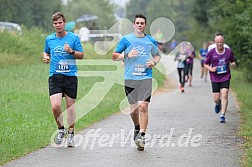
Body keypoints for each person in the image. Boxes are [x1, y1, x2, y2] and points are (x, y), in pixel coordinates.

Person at [112, 14, 160, 151]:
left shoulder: (150, 40)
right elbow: (114, 56)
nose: (139, 25)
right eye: (137, 23)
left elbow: (157, 55)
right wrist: (127, 55)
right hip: (130, 78)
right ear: (134, 25)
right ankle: (137, 127)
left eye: (142, 23)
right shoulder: (126, 39)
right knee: (133, 109)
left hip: (145, 77)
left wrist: (154, 62)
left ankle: (142, 136)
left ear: (145, 25)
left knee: (143, 106)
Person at [43, 12, 84, 147]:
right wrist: (46, 57)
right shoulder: (49, 39)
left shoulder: (74, 38)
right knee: (55, 107)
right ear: (53, 24)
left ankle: (71, 133)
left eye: (60, 23)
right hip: (55, 76)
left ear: (64, 23)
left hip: (70, 76)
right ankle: (61, 129)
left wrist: (71, 51)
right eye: (55, 23)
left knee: (70, 107)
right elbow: (46, 51)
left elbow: (81, 55)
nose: (58, 25)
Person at [204, 33, 236, 123]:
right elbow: (205, 64)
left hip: (225, 76)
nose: (219, 44)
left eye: (221, 42)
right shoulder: (211, 52)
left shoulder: (228, 51)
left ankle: (222, 115)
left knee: (225, 94)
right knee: (216, 98)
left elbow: (232, 61)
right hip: (215, 77)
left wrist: (233, 64)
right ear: (215, 42)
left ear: (223, 42)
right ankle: (218, 104)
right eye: (217, 42)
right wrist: (211, 69)